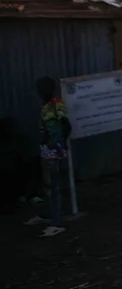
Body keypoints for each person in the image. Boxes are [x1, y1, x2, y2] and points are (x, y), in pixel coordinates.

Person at [25, 77, 71, 237]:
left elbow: (62, 127)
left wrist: (55, 144)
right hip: (50, 150)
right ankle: (49, 214)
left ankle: (55, 223)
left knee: (54, 186)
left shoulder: (52, 106)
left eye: (41, 89)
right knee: (48, 184)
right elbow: (60, 126)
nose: (39, 92)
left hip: (53, 151)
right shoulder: (52, 105)